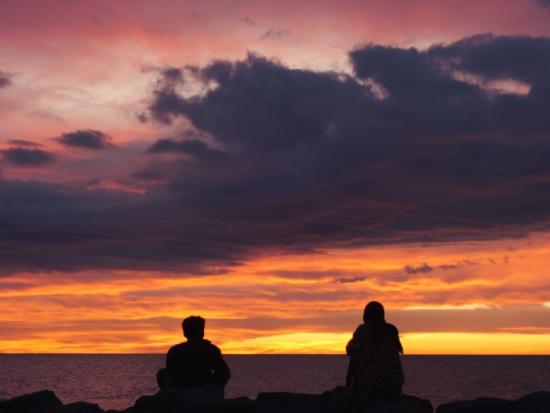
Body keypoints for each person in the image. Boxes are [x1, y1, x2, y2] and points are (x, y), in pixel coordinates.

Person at [157, 316, 231, 399]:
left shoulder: (175, 350)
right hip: (205, 389)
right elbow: (225, 373)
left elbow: (169, 374)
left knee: (162, 373)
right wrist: (214, 387)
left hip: (180, 390)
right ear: (202, 332)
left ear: (185, 333)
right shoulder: (210, 349)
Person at [345, 301, 404, 401]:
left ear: (367, 314)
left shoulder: (364, 330)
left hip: (374, 381)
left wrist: (348, 382)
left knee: (358, 359)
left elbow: (352, 353)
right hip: (395, 381)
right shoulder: (391, 329)